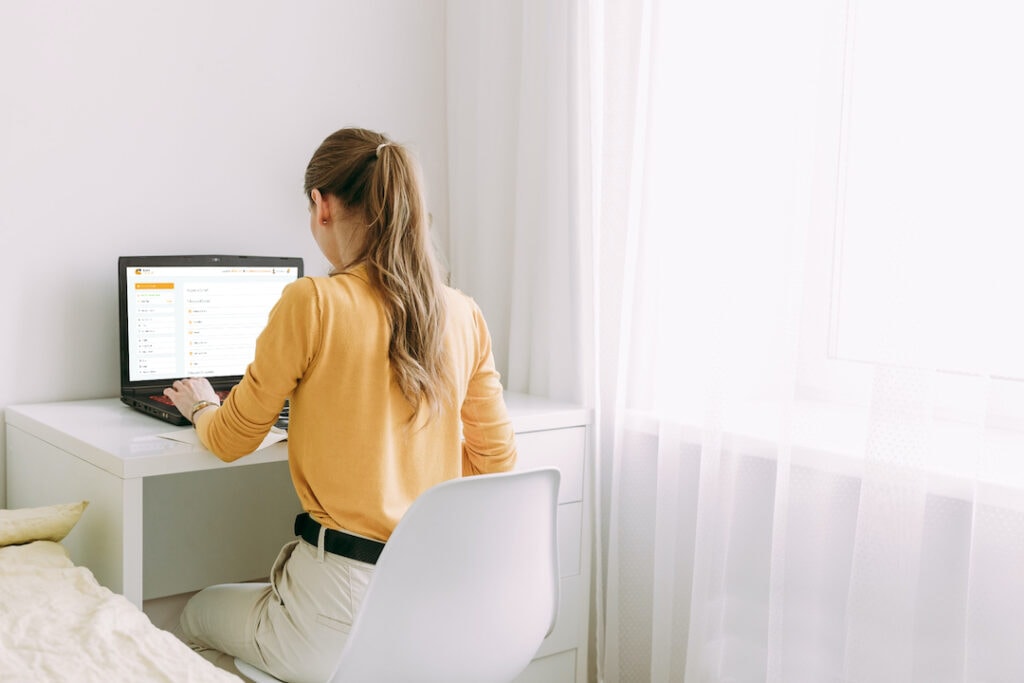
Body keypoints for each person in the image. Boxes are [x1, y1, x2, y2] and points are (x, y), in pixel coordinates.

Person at [162, 127, 516, 683]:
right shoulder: (463, 313)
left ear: (320, 205)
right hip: (430, 609)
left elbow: (232, 440)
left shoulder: (313, 302)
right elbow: (497, 463)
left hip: (341, 612)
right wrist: (413, 466)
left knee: (191, 615)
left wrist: (203, 406)